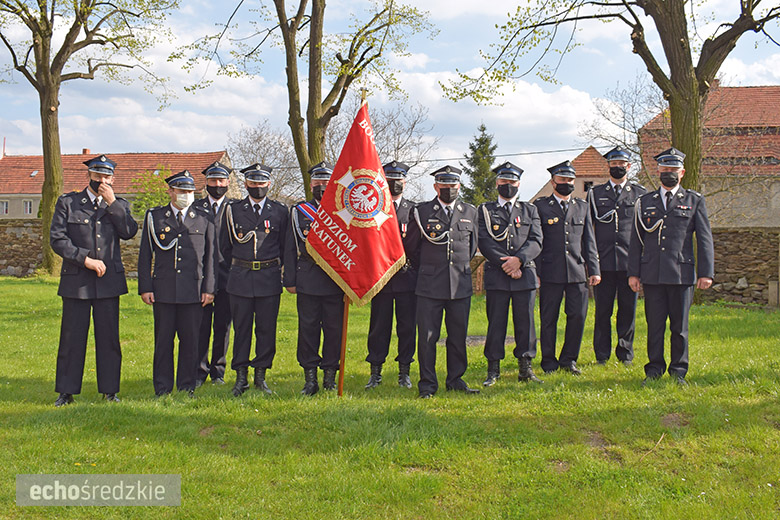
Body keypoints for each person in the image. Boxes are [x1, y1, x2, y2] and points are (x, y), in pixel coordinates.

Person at [49, 155, 138, 407]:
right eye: (97, 176)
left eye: (106, 176)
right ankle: (66, 392)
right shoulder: (69, 203)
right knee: (71, 337)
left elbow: (129, 232)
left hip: (109, 281)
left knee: (109, 338)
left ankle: (110, 391)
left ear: (113, 178)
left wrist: (113, 204)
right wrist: (84, 259)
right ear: (88, 176)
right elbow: (57, 238)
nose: (102, 180)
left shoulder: (118, 204)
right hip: (77, 280)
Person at [628, 148, 714, 385]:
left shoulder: (694, 200)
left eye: (673, 170)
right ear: (658, 172)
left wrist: (706, 273)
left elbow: (704, 238)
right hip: (652, 274)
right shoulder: (644, 202)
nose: (669, 174)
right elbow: (636, 240)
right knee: (654, 327)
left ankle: (678, 372)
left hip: (681, 274)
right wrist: (634, 273)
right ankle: (654, 370)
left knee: (680, 328)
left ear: (682, 172)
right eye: (665, 170)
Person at [138, 170, 216, 397]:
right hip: (163, 290)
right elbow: (145, 255)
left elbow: (210, 256)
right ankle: (162, 387)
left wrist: (209, 288)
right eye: (182, 191)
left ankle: (187, 385)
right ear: (170, 191)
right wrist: (145, 287)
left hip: (193, 290)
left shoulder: (204, 216)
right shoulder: (155, 217)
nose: (186, 195)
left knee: (190, 341)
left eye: (190, 191)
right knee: (163, 341)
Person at [406, 165, 479, 398]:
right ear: (436, 186)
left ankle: (456, 379)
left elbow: (472, 246)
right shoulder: (422, 212)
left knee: (458, 336)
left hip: (460, 284)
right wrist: (428, 270)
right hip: (429, 286)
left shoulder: (470, 212)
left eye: (453, 185)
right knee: (428, 337)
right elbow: (412, 249)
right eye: (444, 185)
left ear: (459, 186)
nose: (449, 189)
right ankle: (427, 384)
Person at [221, 163, 292, 396]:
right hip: (240, 278)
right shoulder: (232, 210)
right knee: (241, 330)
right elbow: (224, 247)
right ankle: (240, 377)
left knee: (266, 330)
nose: (257, 187)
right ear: (245, 184)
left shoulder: (281, 211)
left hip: (268, 279)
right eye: (253, 183)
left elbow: (286, 248)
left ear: (269, 184)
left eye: (261, 183)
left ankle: (261, 375)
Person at [477, 161, 543, 386]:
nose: (508, 185)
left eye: (512, 182)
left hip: (524, 275)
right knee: (496, 323)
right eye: (504, 181)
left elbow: (536, 240)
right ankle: (493, 370)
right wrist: (506, 264)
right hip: (497, 275)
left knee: (526, 323)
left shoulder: (530, 210)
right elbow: (484, 241)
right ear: (497, 183)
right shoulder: (485, 210)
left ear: (519, 184)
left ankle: (526, 367)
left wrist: (519, 261)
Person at [534, 160, 601, 375]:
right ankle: (549, 361)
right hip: (550, 272)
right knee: (548, 318)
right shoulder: (541, 206)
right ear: (553, 182)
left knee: (578, 317)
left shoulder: (582, 206)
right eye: (562, 179)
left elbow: (589, 240)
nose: (567, 183)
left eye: (570, 180)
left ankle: (569, 359)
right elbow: (537, 241)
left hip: (577, 271)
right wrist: (535, 272)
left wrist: (595, 269)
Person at [284, 162, 345, 395]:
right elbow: (290, 248)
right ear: (311, 185)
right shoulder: (299, 212)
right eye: (318, 182)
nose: (322, 186)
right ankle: (310, 378)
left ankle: (330, 375)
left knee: (333, 330)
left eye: (326, 182)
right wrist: (290, 280)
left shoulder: (343, 211)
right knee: (308, 330)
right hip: (307, 279)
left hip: (336, 281)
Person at [588, 147, 647, 366]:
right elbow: (589, 231)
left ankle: (625, 354)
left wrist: (640, 265)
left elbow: (643, 232)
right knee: (602, 312)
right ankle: (601, 355)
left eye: (622, 164)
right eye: (614, 164)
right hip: (603, 263)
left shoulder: (639, 194)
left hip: (628, 264)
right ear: (608, 166)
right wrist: (593, 264)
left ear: (629, 167)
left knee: (627, 312)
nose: (618, 168)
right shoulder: (595, 194)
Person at [364, 161, 418, 389]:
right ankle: (375, 372)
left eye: (399, 179)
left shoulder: (414, 210)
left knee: (407, 327)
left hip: (407, 279)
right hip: (381, 280)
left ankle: (404, 371)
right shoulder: (374, 207)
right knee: (379, 327)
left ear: (405, 182)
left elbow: (419, 246)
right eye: (390, 179)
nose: (395, 183)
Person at [193, 161, 234, 387]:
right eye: (212, 181)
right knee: (200, 325)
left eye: (221, 180)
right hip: (200, 277)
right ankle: (199, 370)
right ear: (205, 182)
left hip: (228, 276)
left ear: (227, 182)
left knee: (223, 326)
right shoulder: (195, 209)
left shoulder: (235, 209)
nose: (217, 184)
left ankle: (218, 371)